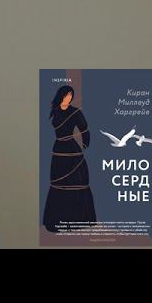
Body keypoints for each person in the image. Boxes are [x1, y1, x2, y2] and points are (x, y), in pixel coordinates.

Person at [42, 85, 96, 233]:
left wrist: (85, 144)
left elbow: (85, 129)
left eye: (71, 95)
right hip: (59, 149)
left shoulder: (75, 112)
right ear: (61, 95)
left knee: (75, 181)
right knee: (59, 183)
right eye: (67, 95)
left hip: (71, 150)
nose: (69, 98)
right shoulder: (55, 110)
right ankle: (58, 220)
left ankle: (78, 220)